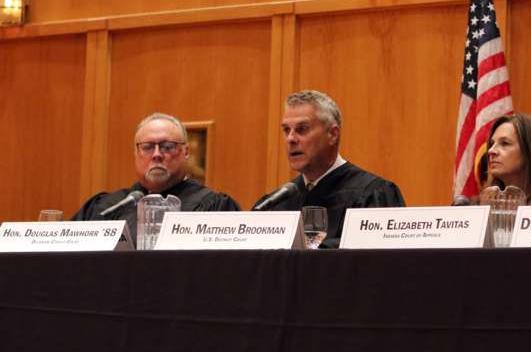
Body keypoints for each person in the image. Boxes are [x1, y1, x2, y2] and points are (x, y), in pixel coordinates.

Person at [252, 90, 404, 248]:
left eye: (302, 129)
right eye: (286, 130)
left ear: (333, 134)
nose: (290, 139)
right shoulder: (275, 203)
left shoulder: (373, 194)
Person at [72, 112, 240, 241]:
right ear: (136, 152)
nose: (157, 155)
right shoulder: (105, 208)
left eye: (167, 147)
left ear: (186, 152)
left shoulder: (215, 208)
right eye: (147, 147)